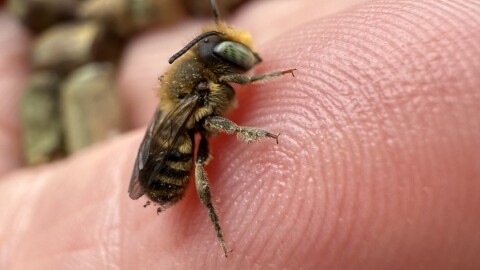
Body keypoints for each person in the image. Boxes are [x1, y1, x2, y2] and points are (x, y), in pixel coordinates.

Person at [1, 0, 479, 268]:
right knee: (202, 155)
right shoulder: (197, 93)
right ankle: (215, 227)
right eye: (231, 55)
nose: (243, 60)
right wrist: (258, 120)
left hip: (159, 154)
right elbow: (222, 107)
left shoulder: (192, 81)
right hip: (166, 172)